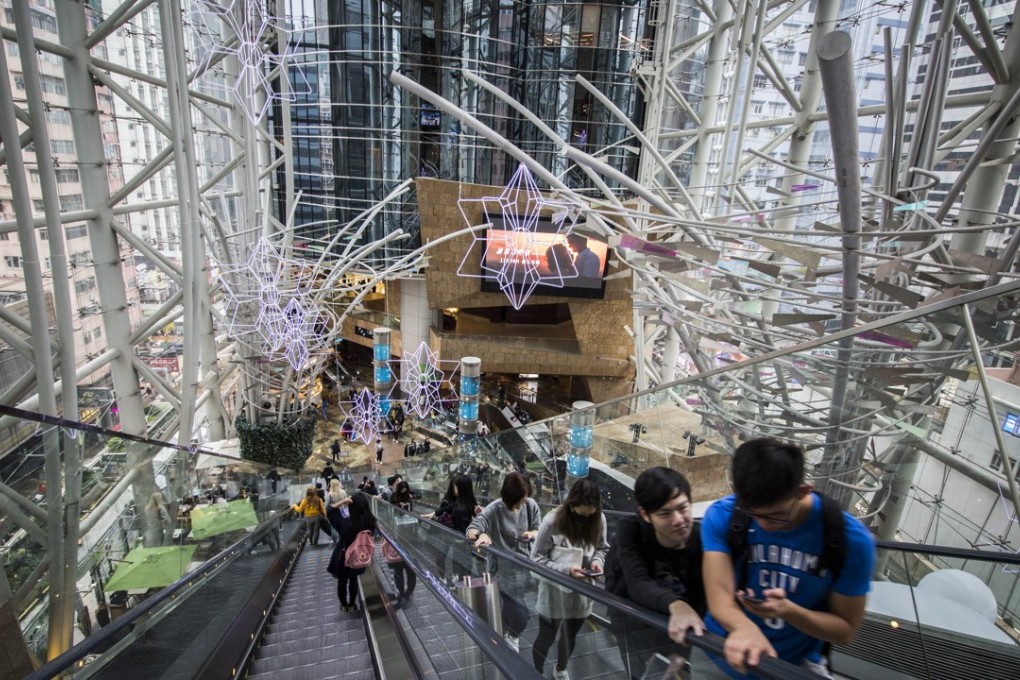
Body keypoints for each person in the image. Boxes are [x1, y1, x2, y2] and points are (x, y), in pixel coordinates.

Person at [697, 438, 875, 679]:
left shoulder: (850, 540)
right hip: (719, 656)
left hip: (789, 666)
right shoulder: (725, 516)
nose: (764, 526)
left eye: (777, 516)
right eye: (754, 514)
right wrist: (743, 627)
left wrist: (789, 611)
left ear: (804, 491)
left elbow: (845, 630)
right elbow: (718, 594)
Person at [605, 467, 706, 680]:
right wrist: (677, 604)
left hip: (673, 629)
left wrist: (681, 651)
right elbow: (637, 581)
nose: (678, 519)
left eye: (683, 508)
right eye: (665, 513)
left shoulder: (701, 539)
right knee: (637, 673)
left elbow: (702, 598)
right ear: (645, 515)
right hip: (632, 621)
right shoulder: (631, 529)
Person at [530, 478, 609, 680]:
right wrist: (566, 570)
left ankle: (560, 669)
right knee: (546, 637)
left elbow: (602, 548)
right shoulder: (552, 521)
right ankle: (535, 672)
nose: (586, 518)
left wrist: (597, 562)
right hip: (553, 592)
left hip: (582, 592)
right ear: (571, 505)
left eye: (590, 514)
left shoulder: (599, 520)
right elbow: (536, 560)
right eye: (581, 514)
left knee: (570, 636)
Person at [467, 472, 542, 652]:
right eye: (519, 500)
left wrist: (532, 534)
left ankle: (506, 633)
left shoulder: (531, 506)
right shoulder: (494, 510)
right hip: (503, 571)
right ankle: (509, 636)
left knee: (520, 607)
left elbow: (540, 530)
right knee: (520, 612)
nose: (522, 504)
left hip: (526, 570)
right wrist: (481, 535)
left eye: (524, 500)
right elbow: (471, 530)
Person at [327, 492, 377, 612]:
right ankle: (352, 603)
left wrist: (343, 502)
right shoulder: (371, 521)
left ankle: (344, 606)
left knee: (342, 582)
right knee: (353, 580)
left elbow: (329, 510)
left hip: (343, 556)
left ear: (351, 506)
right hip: (359, 556)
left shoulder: (345, 522)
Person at [388, 481, 417, 604]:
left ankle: (409, 591)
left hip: (410, 534)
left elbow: (412, 512)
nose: (405, 491)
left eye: (406, 489)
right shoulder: (393, 498)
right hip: (397, 534)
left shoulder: (409, 497)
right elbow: (390, 512)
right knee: (398, 569)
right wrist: (398, 506)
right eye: (403, 489)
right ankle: (400, 591)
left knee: (411, 569)